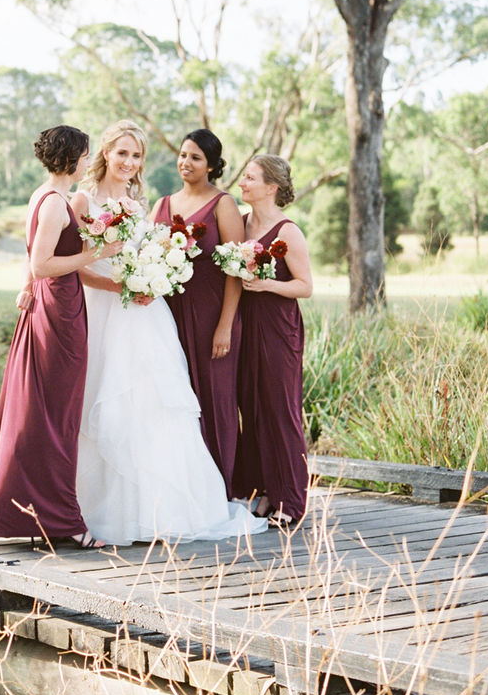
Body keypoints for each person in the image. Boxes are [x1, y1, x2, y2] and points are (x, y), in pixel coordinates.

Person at [71, 120, 264, 547]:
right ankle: (91, 509)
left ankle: (164, 510)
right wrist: (124, 284)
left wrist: (149, 280)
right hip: (106, 309)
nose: (129, 161)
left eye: (136, 155)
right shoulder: (85, 199)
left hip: (148, 314)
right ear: (105, 153)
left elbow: (160, 254)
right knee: (106, 399)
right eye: (122, 153)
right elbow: (70, 261)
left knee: (159, 403)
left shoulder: (139, 204)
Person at [0, 125, 116, 549]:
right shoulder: (56, 203)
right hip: (59, 313)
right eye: (84, 155)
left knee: (45, 416)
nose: (86, 162)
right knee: (57, 418)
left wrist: (27, 286)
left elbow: (33, 265)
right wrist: (97, 253)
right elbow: (42, 264)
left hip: (51, 307)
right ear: (71, 158)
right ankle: (59, 519)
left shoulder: (41, 195)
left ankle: (43, 517)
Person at [152, 129, 244, 497]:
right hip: (166, 317)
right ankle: (181, 490)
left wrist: (225, 326)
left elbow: (235, 270)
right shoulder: (161, 205)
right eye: (183, 155)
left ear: (211, 165)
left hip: (211, 316)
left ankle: (221, 489)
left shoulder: (223, 204)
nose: (185, 163)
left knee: (215, 400)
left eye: (195, 158)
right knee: (174, 398)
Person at [232, 154, 313, 530]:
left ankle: (292, 500)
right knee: (252, 407)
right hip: (245, 325)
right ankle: (263, 492)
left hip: (278, 328)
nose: (242, 182)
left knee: (280, 409)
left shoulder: (287, 232)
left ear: (271, 187)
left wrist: (267, 284)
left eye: (250, 178)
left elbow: (305, 286)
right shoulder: (241, 223)